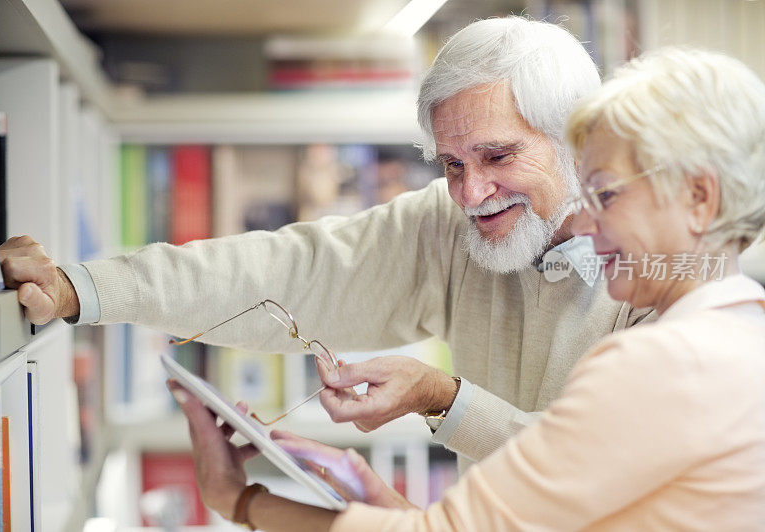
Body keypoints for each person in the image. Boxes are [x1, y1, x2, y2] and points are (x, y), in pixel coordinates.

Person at [0, 17, 652, 466]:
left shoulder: (668, 271)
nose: (470, 193)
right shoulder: (453, 229)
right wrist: (80, 287)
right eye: (451, 164)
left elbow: (597, 469)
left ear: (578, 137)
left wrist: (440, 398)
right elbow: (289, 273)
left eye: (497, 155)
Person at [170, 46, 765, 531]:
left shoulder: (668, 362)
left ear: (699, 198)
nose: (581, 223)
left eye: (605, 195)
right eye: (452, 165)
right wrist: (371, 496)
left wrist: (238, 500)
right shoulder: (739, 339)